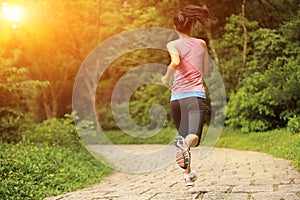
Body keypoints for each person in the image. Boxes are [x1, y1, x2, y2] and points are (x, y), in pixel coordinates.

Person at [161, 5, 216, 186]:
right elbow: (206, 70)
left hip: (176, 99)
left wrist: (167, 77)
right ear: (191, 26)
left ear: (175, 27)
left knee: (183, 137)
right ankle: (186, 162)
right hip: (195, 96)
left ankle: (188, 175)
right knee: (193, 138)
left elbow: (176, 60)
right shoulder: (201, 44)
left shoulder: (172, 44)